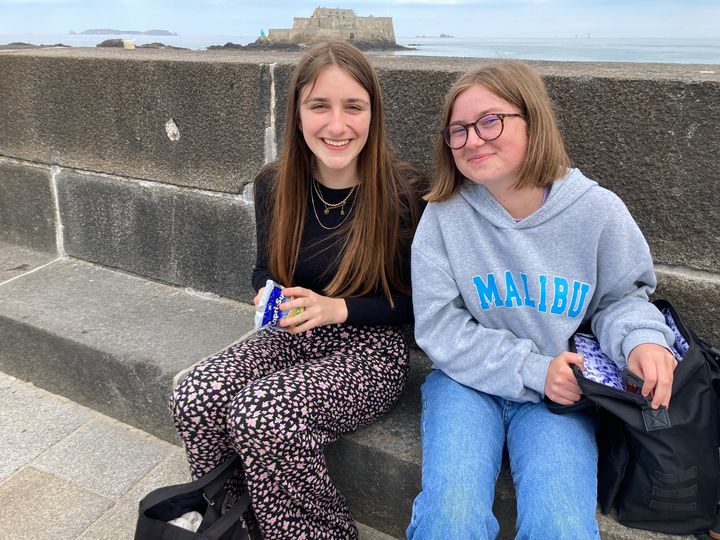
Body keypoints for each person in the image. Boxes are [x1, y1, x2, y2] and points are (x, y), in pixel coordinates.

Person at [406, 60, 678, 540]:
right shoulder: (444, 215)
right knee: (450, 519)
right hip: (465, 384)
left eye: (491, 121)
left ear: (532, 119)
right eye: (458, 130)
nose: (472, 139)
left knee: (561, 526)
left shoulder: (597, 211)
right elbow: (439, 326)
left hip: (560, 396)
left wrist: (641, 342)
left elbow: (622, 299)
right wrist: (533, 369)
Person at [170, 41, 425, 540]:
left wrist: (339, 309)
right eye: (319, 106)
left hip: (372, 348)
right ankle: (232, 524)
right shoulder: (274, 183)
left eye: (353, 106)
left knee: (261, 414)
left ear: (372, 112)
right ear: (298, 113)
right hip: (291, 332)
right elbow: (265, 269)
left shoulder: (405, 193)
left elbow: (420, 304)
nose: (336, 125)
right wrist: (268, 295)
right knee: (195, 395)